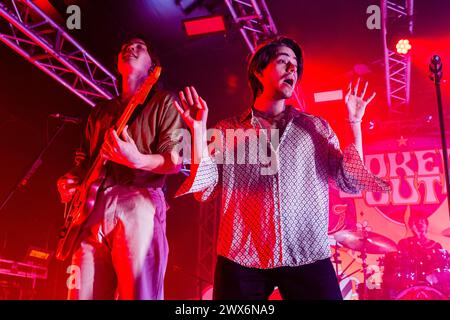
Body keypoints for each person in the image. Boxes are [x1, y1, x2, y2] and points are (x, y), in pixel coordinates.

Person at [174, 36, 391, 300]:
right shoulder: (228, 129)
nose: (292, 70)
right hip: (242, 257)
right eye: (283, 62)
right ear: (258, 71)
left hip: (307, 253)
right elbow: (203, 190)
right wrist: (197, 131)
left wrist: (354, 124)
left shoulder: (315, 127)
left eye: (295, 66)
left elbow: (350, 181)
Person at [57, 36, 184, 300]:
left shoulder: (164, 102)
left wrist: (137, 159)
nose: (130, 48)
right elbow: (82, 163)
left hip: (139, 198)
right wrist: (70, 180)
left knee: (139, 294)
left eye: (140, 47)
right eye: (125, 46)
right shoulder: (100, 111)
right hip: (92, 208)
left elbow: (174, 161)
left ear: (153, 66)